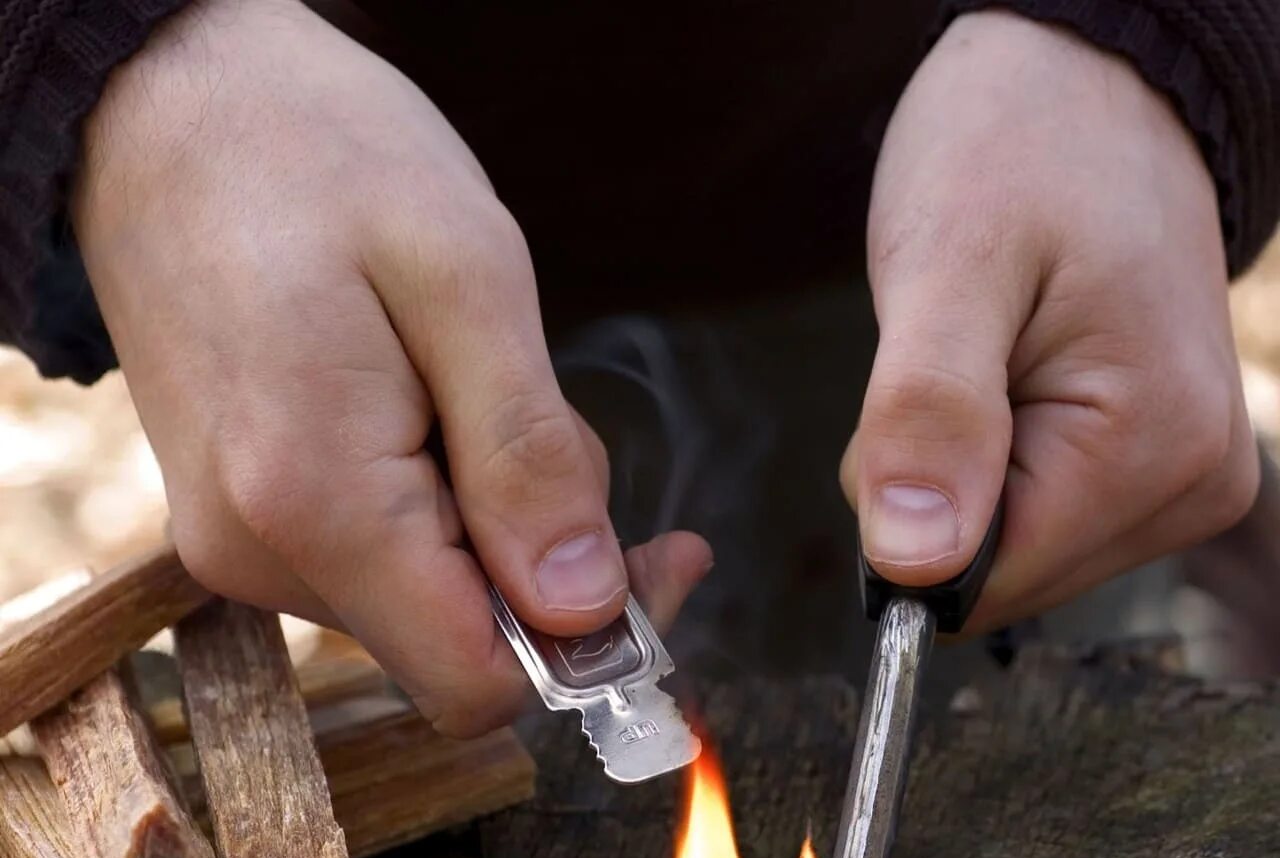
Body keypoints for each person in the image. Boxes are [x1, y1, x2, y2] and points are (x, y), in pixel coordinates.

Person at [1, 0, 1277, 733]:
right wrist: (93, 45)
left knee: (1053, 787)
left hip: (977, 204)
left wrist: (1168, 32)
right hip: (284, 271)